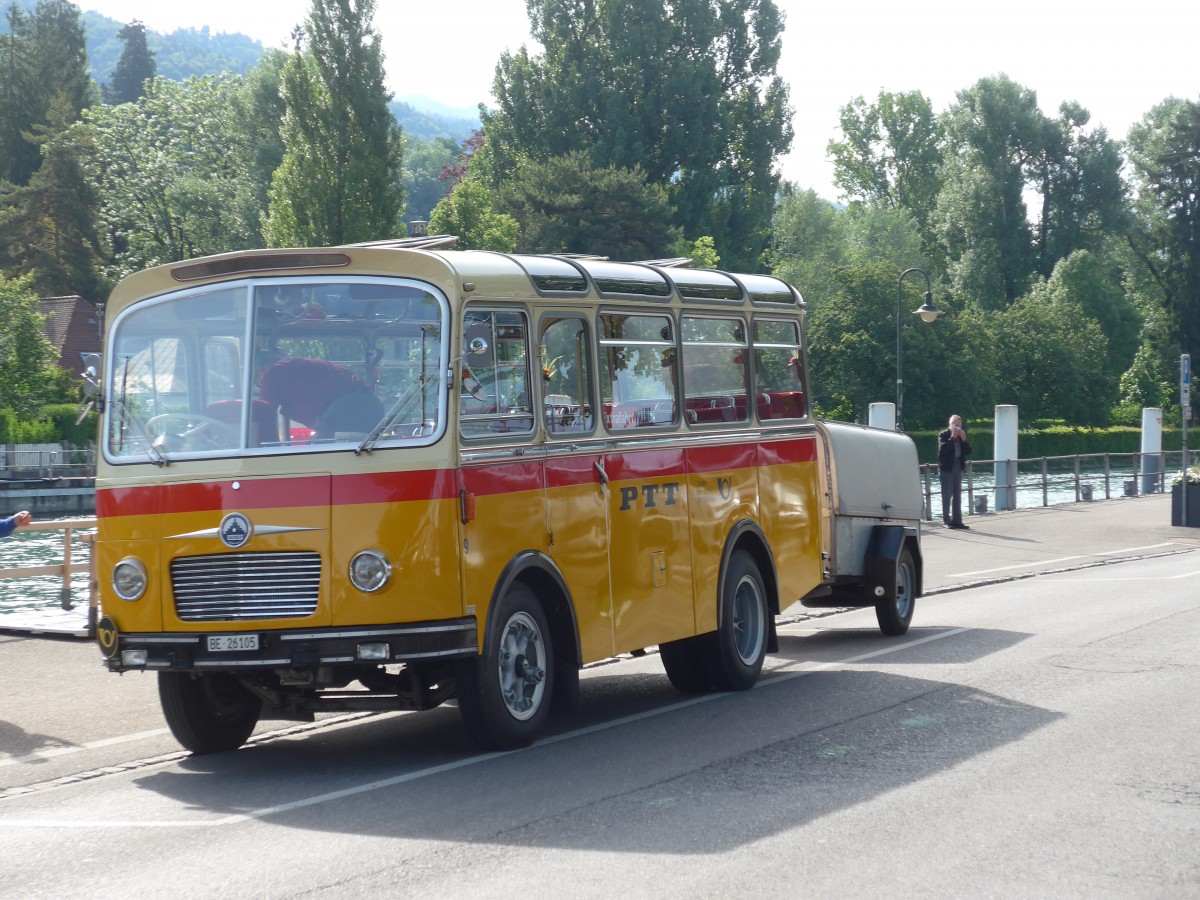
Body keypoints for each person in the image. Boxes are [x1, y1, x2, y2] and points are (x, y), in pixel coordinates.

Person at [937, 415, 972, 529]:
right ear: (949, 424)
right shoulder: (943, 435)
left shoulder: (961, 436)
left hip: (958, 465)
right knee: (947, 495)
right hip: (946, 467)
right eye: (953, 424)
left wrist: (964, 439)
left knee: (957, 494)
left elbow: (968, 451)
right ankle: (947, 520)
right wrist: (952, 438)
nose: (955, 427)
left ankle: (957, 520)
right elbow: (944, 451)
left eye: (957, 425)